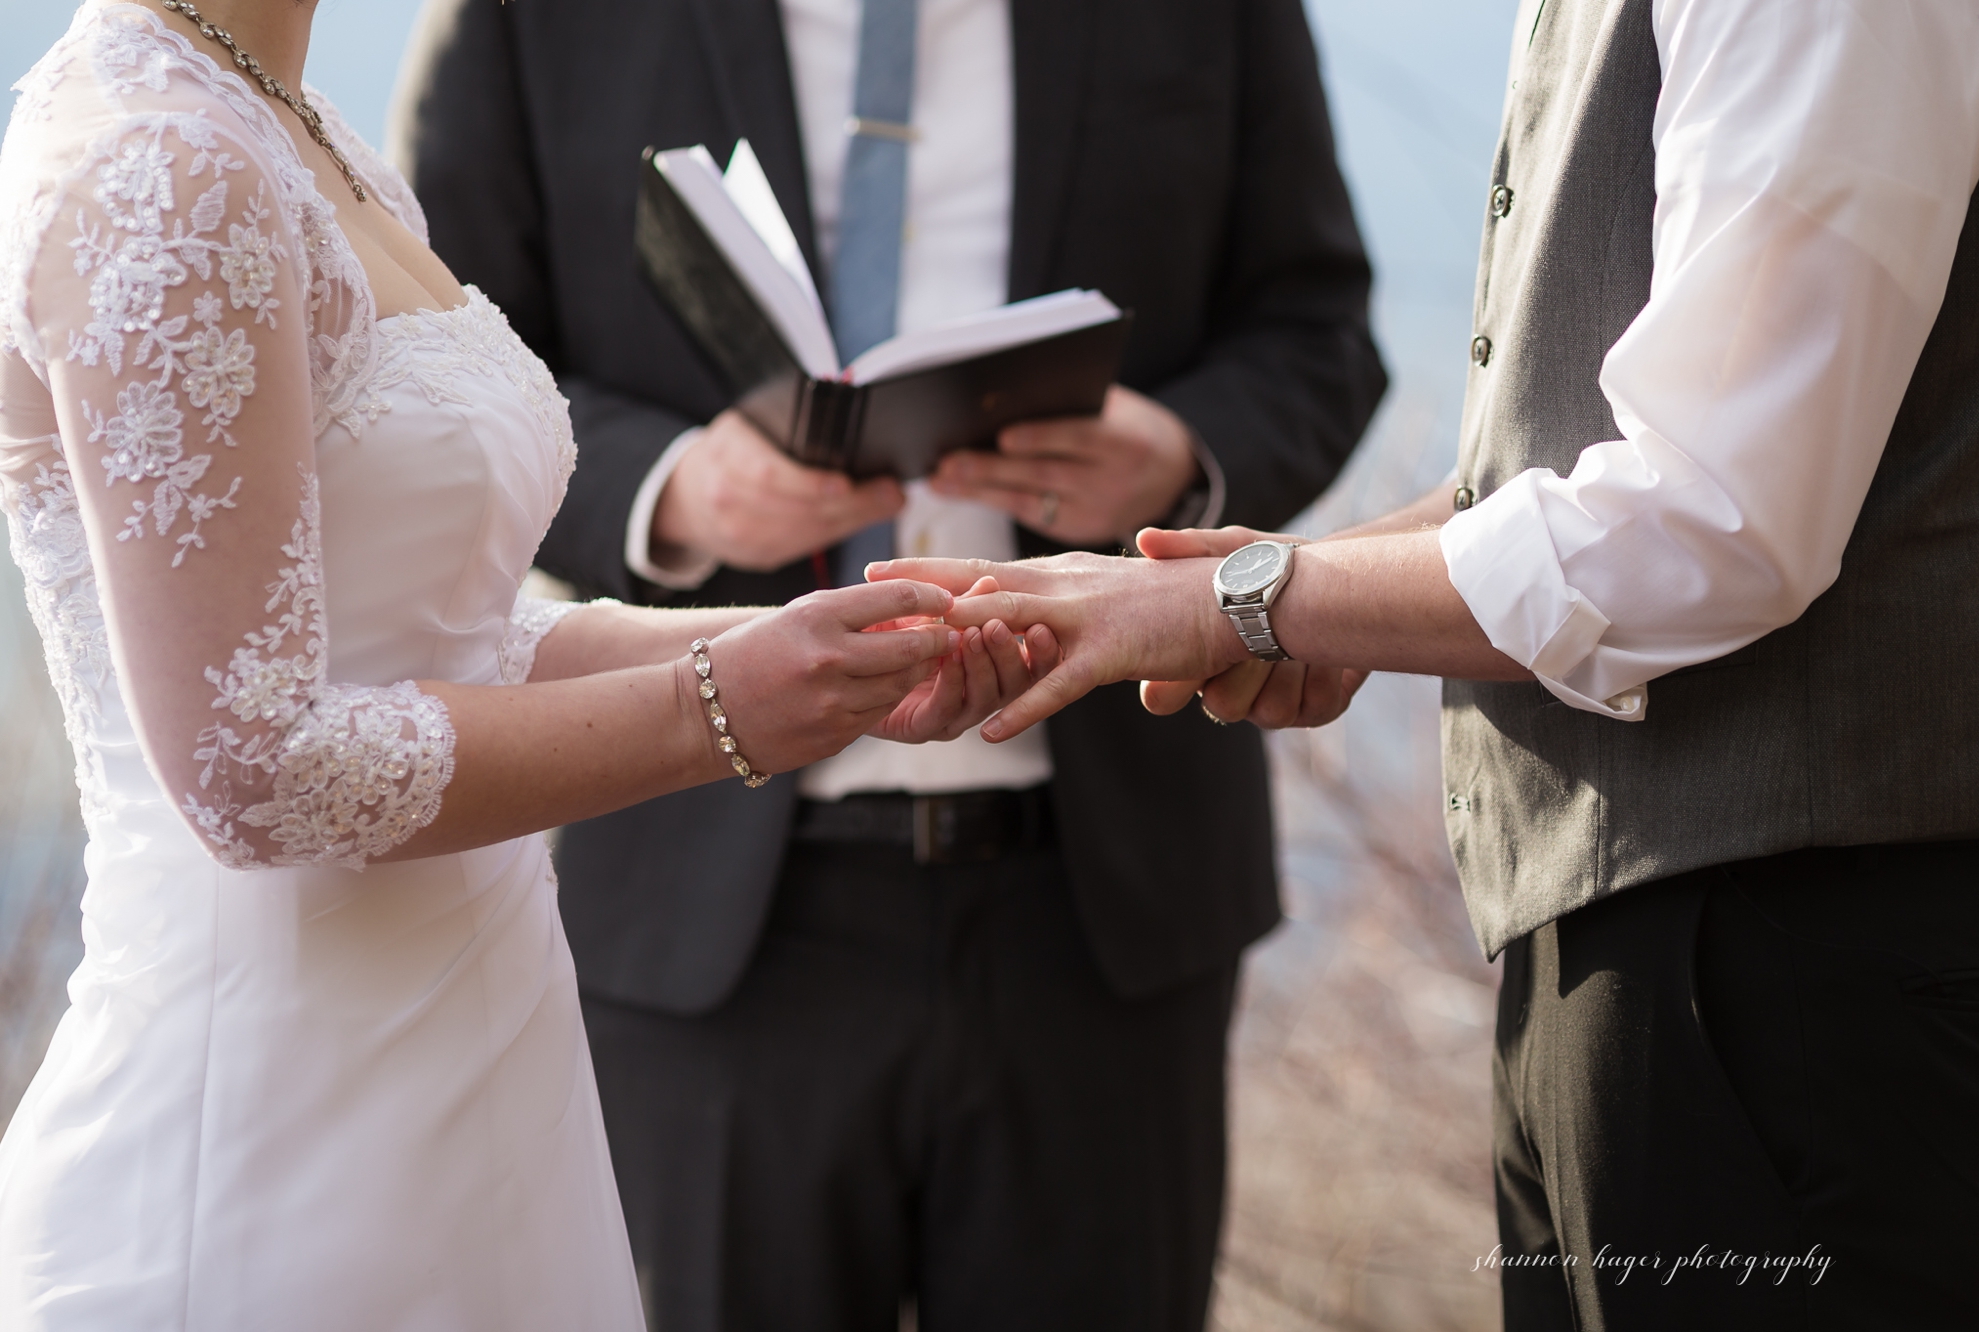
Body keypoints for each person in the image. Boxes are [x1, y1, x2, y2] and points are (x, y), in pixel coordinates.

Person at [876, 0, 1979, 1327]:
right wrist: (1310, 588)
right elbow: (1573, 456)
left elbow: (1715, 517)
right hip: (1634, 966)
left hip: (1808, 989)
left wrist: (1247, 603)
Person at [0, 3, 1049, 1327]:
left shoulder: (291, 123)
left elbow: (444, 642)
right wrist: (717, 710)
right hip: (270, 1143)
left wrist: (808, 655)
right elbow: (254, 769)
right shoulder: (156, 163)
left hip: (481, 1076)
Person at [395, 1, 1383, 1326]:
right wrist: (671, 489)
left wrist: (1181, 457)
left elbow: (1319, 328)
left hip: (1104, 912)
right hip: (703, 905)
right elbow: (439, 359)